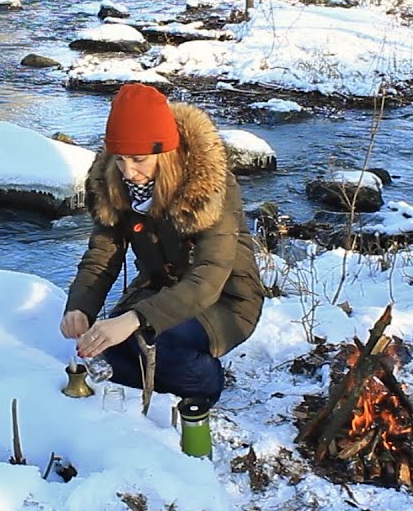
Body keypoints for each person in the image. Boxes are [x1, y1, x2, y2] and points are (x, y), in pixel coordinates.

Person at [61, 83, 265, 408]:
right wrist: (79, 307)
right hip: (159, 291)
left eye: (139, 159)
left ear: (165, 151)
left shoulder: (210, 185)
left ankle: (207, 383)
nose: (129, 172)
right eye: (120, 159)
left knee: (155, 341)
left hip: (225, 300)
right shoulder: (111, 183)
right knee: (110, 351)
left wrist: (134, 319)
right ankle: (159, 376)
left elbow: (209, 277)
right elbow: (102, 256)